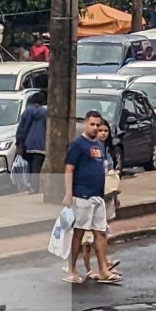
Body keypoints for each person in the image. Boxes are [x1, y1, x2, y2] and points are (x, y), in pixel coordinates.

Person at [62, 111, 119, 285]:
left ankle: (103, 270)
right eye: (92, 124)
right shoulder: (78, 145)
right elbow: (69, 168)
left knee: (100, 233)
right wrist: (69, 193)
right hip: (82, 195)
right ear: (86, 124)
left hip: (98, 195)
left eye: (98, 125)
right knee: (79, 232)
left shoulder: (100, 146)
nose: (95, 128)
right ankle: (72, 269)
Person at [81, 121, 123, 281]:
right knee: (91, 236)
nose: (103, 134)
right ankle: (96, 267)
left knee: (101, 233)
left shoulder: (106, 150)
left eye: (106, 131)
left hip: (106, 195)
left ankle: (104, 265)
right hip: (93, 196)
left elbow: (111, 175)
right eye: (100, 131)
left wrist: (116, 196)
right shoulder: (90, 150)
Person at [14, 94, 47, 193]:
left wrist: (19, 142)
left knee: (29, 166)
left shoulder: (27, 112)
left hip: (28, 144)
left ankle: (29, 185)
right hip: (41, 144)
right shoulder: (46, 113)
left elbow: (22, 129)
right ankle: (35, 187)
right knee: (37, 166)